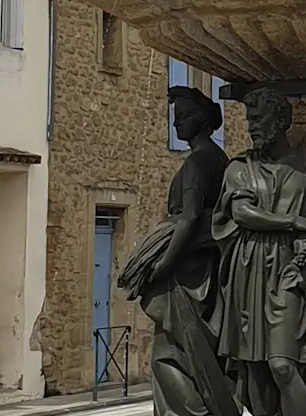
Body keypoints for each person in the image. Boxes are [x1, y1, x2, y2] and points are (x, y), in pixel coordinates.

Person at [212, 87, 306, 416]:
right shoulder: (240, 168)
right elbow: (242, 213)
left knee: (282, 364)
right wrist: (297, 222)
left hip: (292, 269)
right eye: (250, 120)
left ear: (281, 121)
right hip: (251, 268)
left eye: (259, 119)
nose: (252, 127)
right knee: (255, 367)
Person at [116, 86, 237, 416]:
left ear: (202, 121)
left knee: (168, 354)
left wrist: (164, 263)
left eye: (183, 116)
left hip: (188, 272)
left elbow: (190, 217)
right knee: (199, 354)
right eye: (175, 116)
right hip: (207, 266)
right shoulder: (219, 159)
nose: (175, 123)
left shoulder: (197, 162)